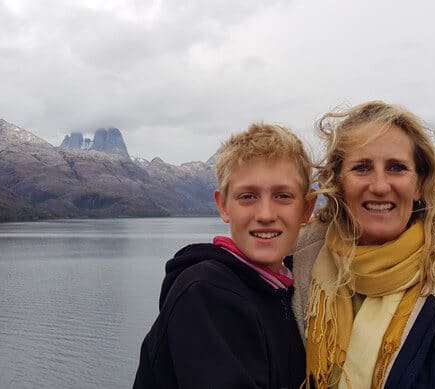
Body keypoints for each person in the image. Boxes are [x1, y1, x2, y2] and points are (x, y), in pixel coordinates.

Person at [291, 101, 435, 389]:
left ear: (420, 184)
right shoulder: (297, 272)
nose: (380, 185)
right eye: (362, 168)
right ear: (337, 182)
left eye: (396, 168)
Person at [134, 123, 316, 389]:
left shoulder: (289, 288)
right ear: (223, 206)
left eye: (282, 196)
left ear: (306, 209)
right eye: (248, 196)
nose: (265, 214)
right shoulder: (205, 293)